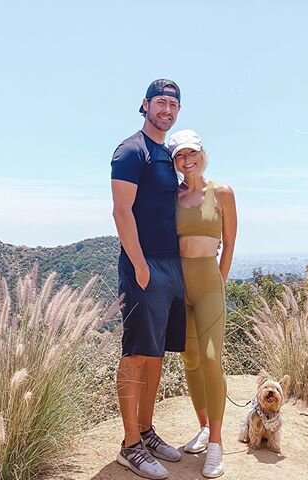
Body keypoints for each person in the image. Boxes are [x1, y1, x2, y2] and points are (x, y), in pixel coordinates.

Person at [110, 79, 186, 480]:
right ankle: (129, 445)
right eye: (160, 102)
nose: (167, 110)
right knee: (136, 352)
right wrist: (140, 265)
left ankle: (146, 429)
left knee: (156, 354)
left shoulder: (167, 155)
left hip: (173, 267)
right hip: (144, 265)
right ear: (144, 105)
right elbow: (122, 212)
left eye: (173, 104)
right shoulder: (131, 150)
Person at [167, 129, 237, 478]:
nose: (186, 160)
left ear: (201, 153)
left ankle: (216, 445)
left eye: (190, 153)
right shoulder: (173, 196)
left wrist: (218, 283)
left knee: (211, 359)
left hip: (209, 284)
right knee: (191, 359)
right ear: (174, 162)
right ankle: (205, 427)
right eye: (179, 156)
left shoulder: (221, 193)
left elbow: (230, 243)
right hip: (180, 287)